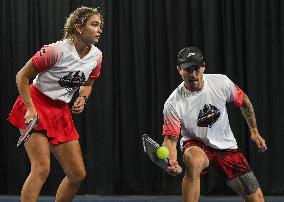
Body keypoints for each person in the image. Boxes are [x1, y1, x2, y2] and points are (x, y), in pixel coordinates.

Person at [8, 6, 103, 202]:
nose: (99, 29)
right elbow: (22, 76)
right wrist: (30, 109)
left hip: (60, 112)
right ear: (78, 27)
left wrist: (82, 98)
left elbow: (88, 83)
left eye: (100, 25)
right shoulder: (55, 50)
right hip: (36, 103)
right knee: (41, 168)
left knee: (77, 175)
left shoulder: (97, 56)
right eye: (94, 25)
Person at [161, 46, 267, 202]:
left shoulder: (221, 83)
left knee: (257, 199)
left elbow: (244, 101)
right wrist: (172, 162)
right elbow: (170, 140)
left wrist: (254, 130)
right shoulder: (172, 103)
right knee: (193, 160)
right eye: (187, 69)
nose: (193, 73)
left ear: (203, 67)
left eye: (196, 68)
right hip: (196, 144)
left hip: (227, 147)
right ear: (179, 70)